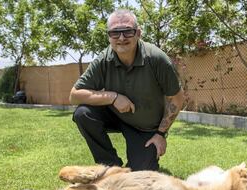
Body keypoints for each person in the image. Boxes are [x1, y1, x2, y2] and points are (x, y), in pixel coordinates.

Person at [69, 9, 184, 171]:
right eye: (115, 33)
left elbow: (177, 99)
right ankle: (110, 166)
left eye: (127, 32)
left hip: (145, 128)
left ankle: (141, 161)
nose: (121, 38)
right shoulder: (103, 60)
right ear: (109, 37)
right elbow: (74, 96)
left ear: (138, 33)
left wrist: (160, 134)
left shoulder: (157, 59)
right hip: (115, 115)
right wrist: (113, 97)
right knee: (83, 114)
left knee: (141, 174)